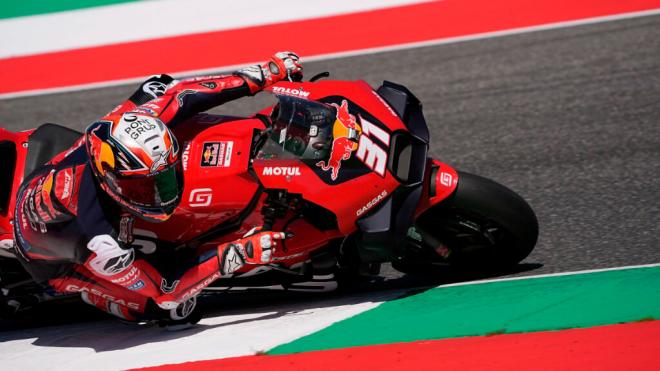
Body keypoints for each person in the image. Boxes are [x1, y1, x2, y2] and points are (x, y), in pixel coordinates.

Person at [12, 52, 302, 327]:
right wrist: (235, 255)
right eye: (143, 187)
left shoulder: (129, 127)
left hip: (54, 173)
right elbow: (166, 290)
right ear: (112, 180)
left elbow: (180, 94)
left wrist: (261, 75)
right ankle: (87, 293)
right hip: (49, 251)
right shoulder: (102, 241)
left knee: (159, 86)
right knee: (164, 310)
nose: (159, 193)